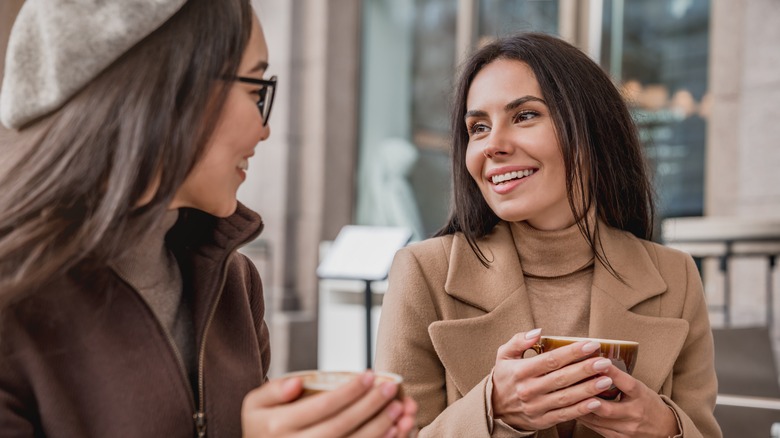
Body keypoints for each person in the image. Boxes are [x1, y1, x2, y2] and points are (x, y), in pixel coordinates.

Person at [0, 1, 416, 436]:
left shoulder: (232, 282)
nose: (264, 128)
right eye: (256, 88)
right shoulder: (14, 302)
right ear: (166, 88)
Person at [375, 32, 721, 438]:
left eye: (524, 116)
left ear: (592, 130)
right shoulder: (424, 272)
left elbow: (702, 428)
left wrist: (666, 428)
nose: (493, 145)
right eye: (479, 127)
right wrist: (492, 411)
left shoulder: (675, 277)